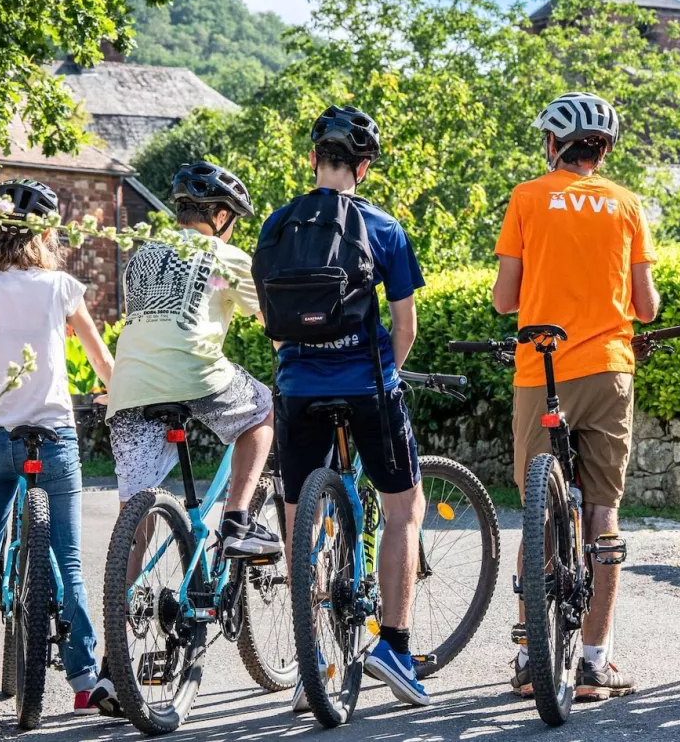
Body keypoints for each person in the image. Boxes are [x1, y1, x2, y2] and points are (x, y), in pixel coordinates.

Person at [87, 161, 279, 712]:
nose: (234, 227)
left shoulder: (142, 256)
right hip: (195, 373)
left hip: (130, 384)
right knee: (261, 412)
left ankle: (110, 670)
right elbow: (271, 322)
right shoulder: (227, 257)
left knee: (137, 517)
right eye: (233, 219)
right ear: (220, 216)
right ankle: (239, 519)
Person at [260, 105, 430, 709]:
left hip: (298, 389)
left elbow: (273, 326)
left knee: (295, 515)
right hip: (366, 385)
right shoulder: (382, 228)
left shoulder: (276, 226)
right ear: (363, 166)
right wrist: (389, 371)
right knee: (404, 506)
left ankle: (315, 661)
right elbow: (404, 324)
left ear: (312, 159)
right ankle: (396, 647)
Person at [493, 92, 657, 701]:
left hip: (541, 371)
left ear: (551, 145)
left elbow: (504, 300)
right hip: (609, 369)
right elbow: (646, 306)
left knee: (538, 510)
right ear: (605, 150)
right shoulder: (626, 204)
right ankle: (592, 662)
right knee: (602, 512)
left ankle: (531, 657)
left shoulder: (527, 198)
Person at [0, 180, 114, 713]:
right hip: (54, 438)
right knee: (69, 561)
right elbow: (102, 361)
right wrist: (115, 392)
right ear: (45, 230)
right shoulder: (61, 286)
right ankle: (84, 681)